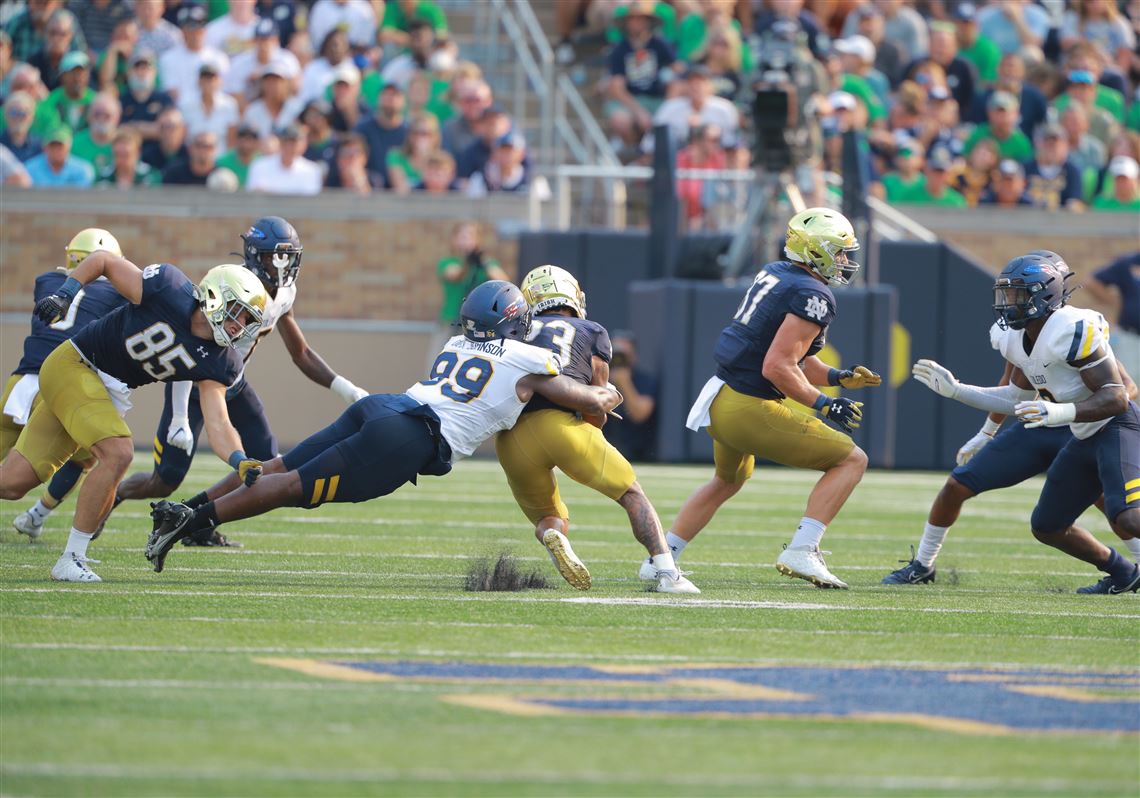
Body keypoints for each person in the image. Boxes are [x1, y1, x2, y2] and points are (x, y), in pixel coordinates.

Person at [142, 281, 624, 577]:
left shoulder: (456, 342)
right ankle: (191, 521)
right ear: (515, 320)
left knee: (278, 466)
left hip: (386, 405)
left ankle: (184, 507)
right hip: (409, 437)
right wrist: (603, 394)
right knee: (289, 486)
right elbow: (570, 393)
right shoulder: (528, 356)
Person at [0, 254, 267, 583]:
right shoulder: (168, 288)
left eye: (246, 322)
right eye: (237, 315)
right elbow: (103, 261)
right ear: (215, 296)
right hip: (76, 364)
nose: (238, 328)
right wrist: (65, 294)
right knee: (119, 452)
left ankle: (72, 554)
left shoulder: (219, 361)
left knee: (12, 483)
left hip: (102, 390)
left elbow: (218, 421)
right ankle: (72, 557)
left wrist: (239, 460)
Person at [105, 217, 370, 546]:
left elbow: (300, 352)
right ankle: (112, 495)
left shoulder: (284, 293)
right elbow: (190, 345)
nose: (283, 265)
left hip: (233, 383)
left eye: (288, 257)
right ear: (256, 255)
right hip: (192, 384)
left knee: (264, 462)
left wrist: (348, 390)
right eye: (276, 256)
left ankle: (195, 521)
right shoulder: (230, 284)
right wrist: (178, 418)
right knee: (164, 481)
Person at [884, 251, 1139, 584]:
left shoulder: (1072, 328)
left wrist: (1058, 410)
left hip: (1112, 426)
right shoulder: (1015, 336)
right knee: (1047, 526)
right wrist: (958, 391)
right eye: (1005, 294)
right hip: (1078, 432)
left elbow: (1120, 395)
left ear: (1045, 294)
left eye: (1017, 294)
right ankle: (1124, 574)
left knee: (1127, 517)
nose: (1007, 303)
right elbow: (1015, 398)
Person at [664, 208, 878, 589]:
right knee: (851, 460)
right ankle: (803, 549)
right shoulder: (813, 293)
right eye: (839, 252)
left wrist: (837, 378)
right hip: (748, 405)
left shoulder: (778, 272)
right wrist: (824, 404)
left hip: (721, 397)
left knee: (727, 480)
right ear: (816, 251)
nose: (845, 261)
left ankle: (663, 558)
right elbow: (778, 367)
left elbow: (796, 356)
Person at [495, 266, 698, 594]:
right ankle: (666, 573)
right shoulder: (591, 330)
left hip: (509, 440)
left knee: (549, 517)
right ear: (571, 295)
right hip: (561, 427)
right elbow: (596, 403)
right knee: (631, 494)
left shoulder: (511, 332)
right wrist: (592, 431)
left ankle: (553, 535)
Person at [7, 230, 130, 541]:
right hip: (62, 385)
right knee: (92, 457)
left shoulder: (46, 281)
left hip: (20, 383)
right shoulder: (117, 294)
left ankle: (35, 517)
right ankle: (39, 515)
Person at [603, 330, 659, 462]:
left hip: (637, 454)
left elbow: (640, 415)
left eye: (623, 355)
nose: (618, 360)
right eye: (614, 354)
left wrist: (624, 383)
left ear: (634, 356)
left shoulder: (645, 380)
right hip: (603, 450)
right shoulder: (598, 377)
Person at [246, 123, 322, 195]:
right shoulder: (259, 166)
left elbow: (311, 203)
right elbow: (253, 198)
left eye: (293, 142)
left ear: (302, 145)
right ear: (279, 142)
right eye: (285, 141)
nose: (289, 146)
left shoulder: (312, 170)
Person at [24, 126, 93, 187]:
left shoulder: (83, 171)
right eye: (52, 146)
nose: (56, 150)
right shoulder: (30, 169)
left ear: (69, 146)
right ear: (45, 147)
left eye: (60, 146)